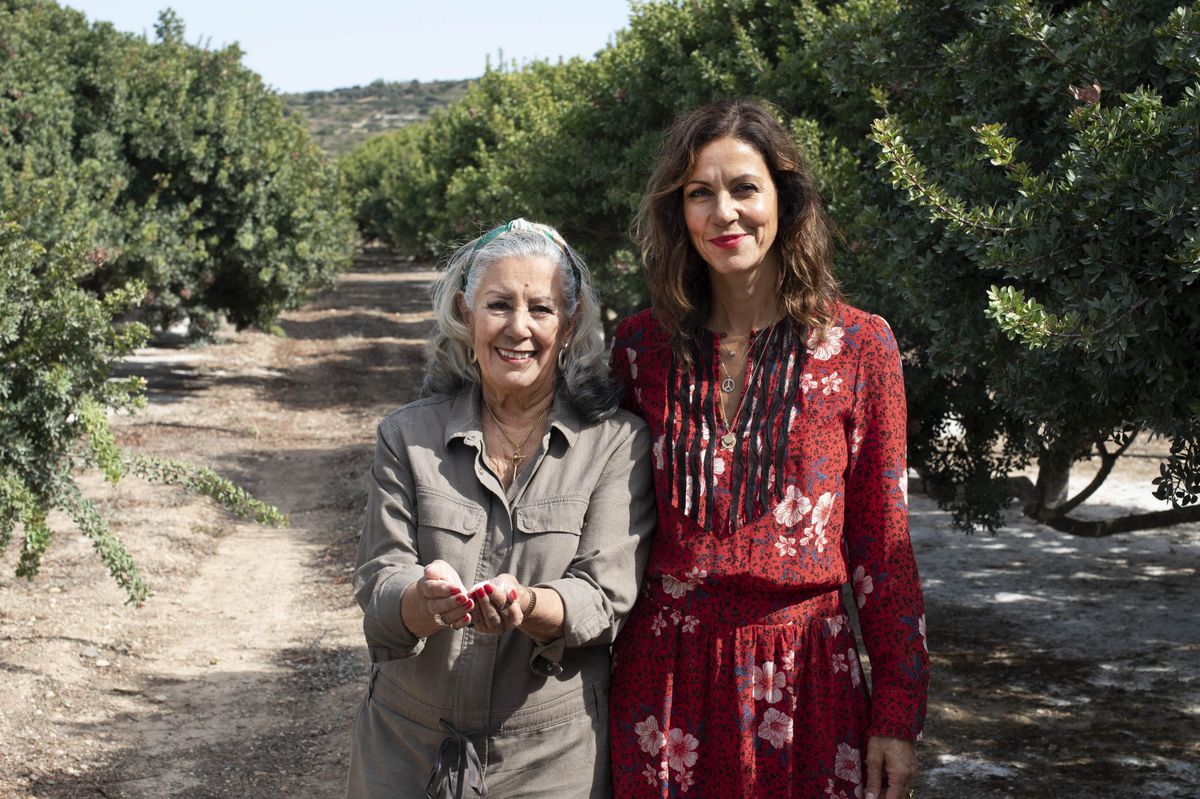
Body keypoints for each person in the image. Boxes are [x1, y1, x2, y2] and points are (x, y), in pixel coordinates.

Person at [608, 100, 930, 799]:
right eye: (700, 193)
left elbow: (884, 544)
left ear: (784, 198)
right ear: (679, 213)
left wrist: (898, 711)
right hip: (664, 683)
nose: (724, 213)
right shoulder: (639, 349)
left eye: (744, 188)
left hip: (811, 679)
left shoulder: (859, 348)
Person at [347, 219, 657, 799]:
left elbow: (604, 595)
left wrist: (529, 604)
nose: (518, 327)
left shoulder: (615, 442)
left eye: (540, 308)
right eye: (498, 304)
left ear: (569, 323)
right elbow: (378, 581)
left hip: (550, 754)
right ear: (466, 315)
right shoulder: (407, 437)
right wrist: (423, 599)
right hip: (405, 745)